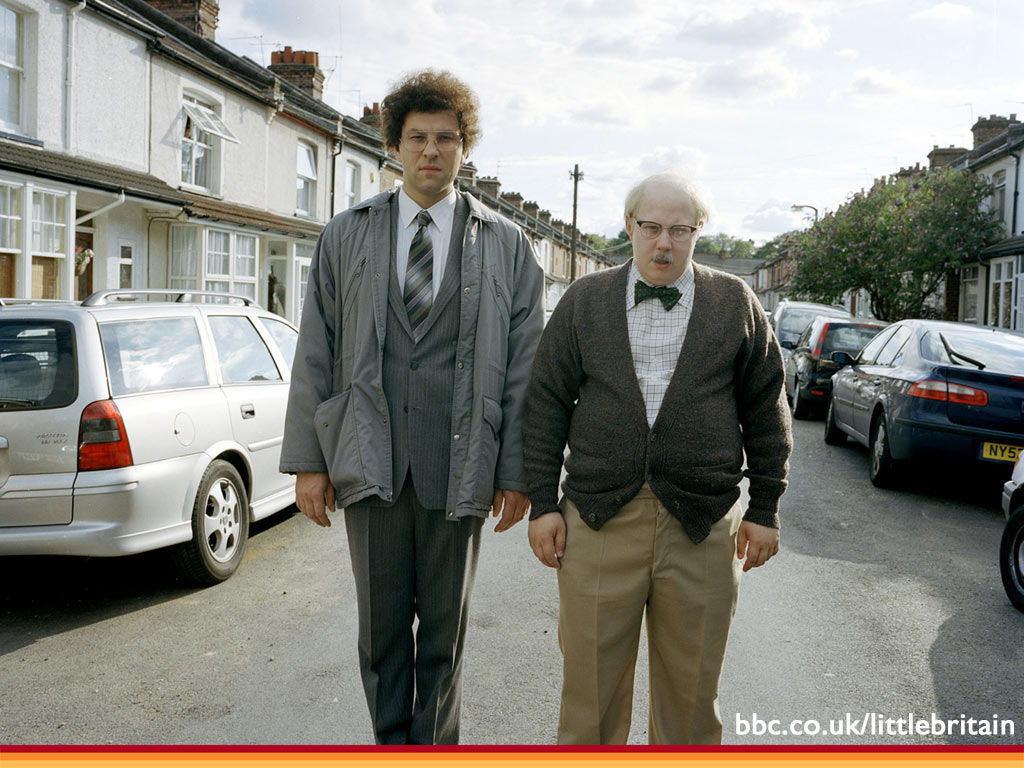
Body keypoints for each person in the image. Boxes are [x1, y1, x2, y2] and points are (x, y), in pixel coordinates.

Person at [280, 69, 544, 745]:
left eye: (446, 138)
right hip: (370, 463)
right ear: (394, 145)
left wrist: (517, 471)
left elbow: (525, 369)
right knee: (382, 638)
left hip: (462, 465)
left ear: (465, 147)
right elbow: (316, 350)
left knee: (444, 641)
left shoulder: (508, 244)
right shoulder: (346, 234)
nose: (431, 150)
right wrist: (309, 462)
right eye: (418, 137)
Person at [523, 172, 792, 745]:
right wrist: (542, 504)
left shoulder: (735, 302)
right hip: (598, 520)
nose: (664, 243)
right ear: (629, 227)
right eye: (651, 227)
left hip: (702, 526)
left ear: (699, 232)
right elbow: (545, 402)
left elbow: (767, 407)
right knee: (589, 705)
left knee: (691, 707)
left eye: (680, 230)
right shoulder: (585, 300)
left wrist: (765, 507)